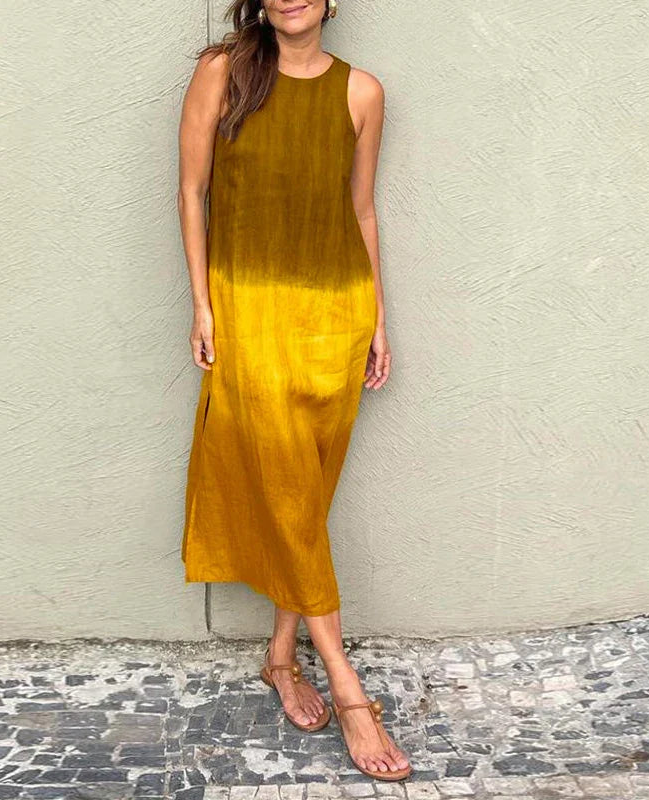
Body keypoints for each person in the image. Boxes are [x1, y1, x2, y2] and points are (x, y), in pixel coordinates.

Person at [176, 0, 411, 782]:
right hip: (250, 311)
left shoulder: (362, 92)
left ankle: (281, 655)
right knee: (285, 485)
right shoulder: (224, 73)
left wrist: (378, 318)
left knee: (302, 492)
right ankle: (345, 683)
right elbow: (191, 192)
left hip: (335, 315)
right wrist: (203, 304)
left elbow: (360, 208)